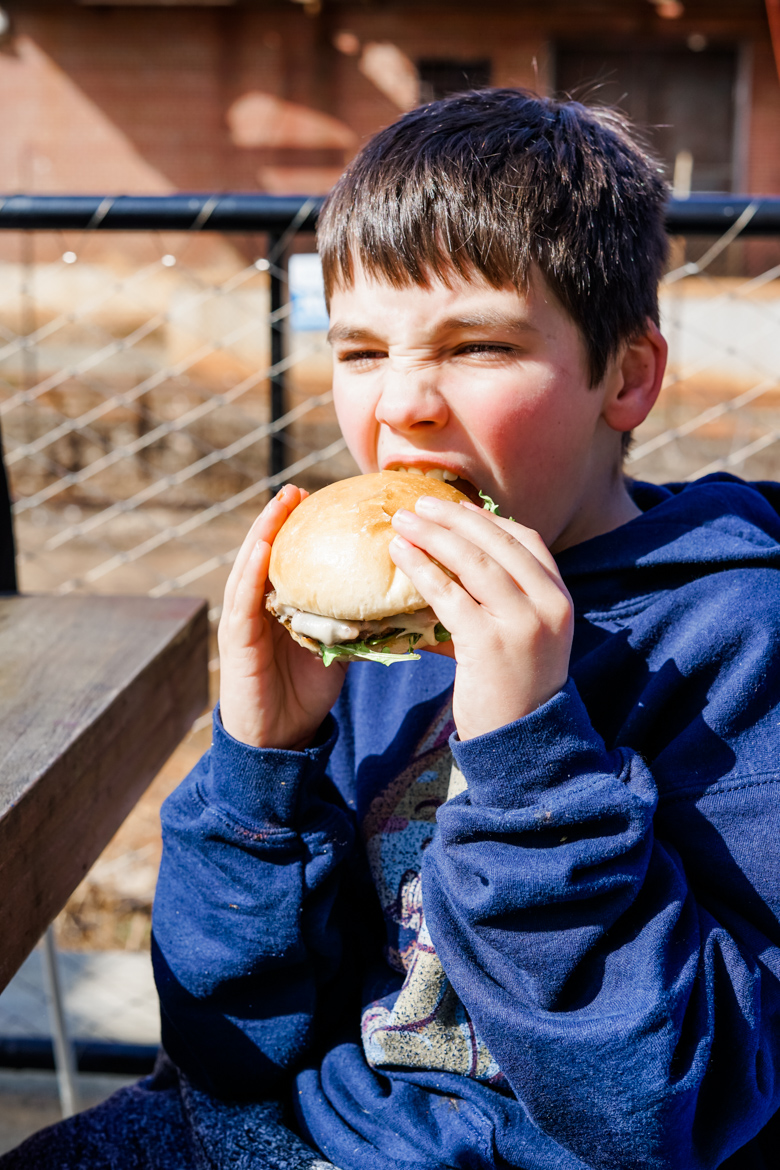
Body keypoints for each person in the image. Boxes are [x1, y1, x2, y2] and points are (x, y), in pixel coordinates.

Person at [4, 88, 780, 1170]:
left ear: (628, 375)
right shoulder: (373, 636)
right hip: (315, 1129)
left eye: (476, 347)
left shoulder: (737, 639)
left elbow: (669, 1107)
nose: (404, 405)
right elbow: (232, 1049)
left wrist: (533, 761)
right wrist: (258, 771)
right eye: (361, 351)